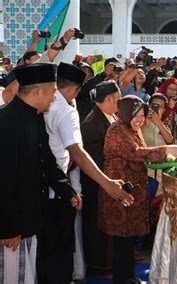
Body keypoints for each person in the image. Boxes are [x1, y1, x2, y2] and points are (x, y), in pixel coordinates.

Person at [41, 63, 133, 283]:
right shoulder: (65, 110)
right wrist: (108, 183)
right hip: (59, 185)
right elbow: (78, 154)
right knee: (60, 246)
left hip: (44, 181)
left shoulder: (49, 105)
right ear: (74, 89)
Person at [0, 63, 82, 283]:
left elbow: (46, 159)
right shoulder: (7, 122)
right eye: (53, 92)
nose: (54, 98)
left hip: (31, 219)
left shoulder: (35, 117)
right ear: (37, 92)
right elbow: (4, 180)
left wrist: (67, 190)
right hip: (13, 229)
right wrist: (9, 228)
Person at [97, 95, 177, 283]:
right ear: (124, 113)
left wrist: (169, 156)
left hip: (133, 195)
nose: (140, 119)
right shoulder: (117, 130)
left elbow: (145, 155)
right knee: (121, 243)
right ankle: (122, 279)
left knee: (129, 241)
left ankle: (129, 277)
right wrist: (168, 150)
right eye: (135, 115)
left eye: (142, 114)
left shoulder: (132, 130)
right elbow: (136, 153)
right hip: (120, 195)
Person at [80, 80, 125, 279]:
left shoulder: (110, 117)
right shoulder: (92, 124)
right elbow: (95, 160)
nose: (120, 102)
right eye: (118, 99)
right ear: (108, 99)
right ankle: (98, 268)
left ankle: (108, 264)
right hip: (97, 184)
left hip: (109, 183)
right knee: (96, 227)